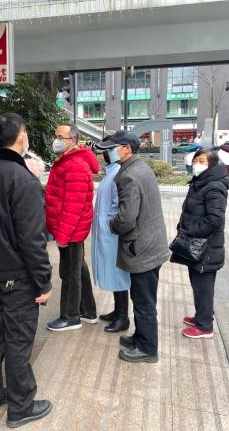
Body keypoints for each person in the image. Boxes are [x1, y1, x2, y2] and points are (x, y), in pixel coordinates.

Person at [0, 113, 53, 428]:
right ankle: (21, 406)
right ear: (21, 136)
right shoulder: (22, 179)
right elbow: (32, 240)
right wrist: (43, 281)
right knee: (18, 338)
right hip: (16, 276)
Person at [96, 130, 170, 363]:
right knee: (142, 299)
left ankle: (148, 349)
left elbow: (126, 218)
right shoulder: (140, 167)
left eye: (112, 148)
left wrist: (110, 223)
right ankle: (140, 336)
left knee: (144, 302)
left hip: (142, 248)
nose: (108, 153)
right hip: (150, 245)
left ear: (126, 148)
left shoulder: (128, 175)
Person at [170, 149, 229, 339]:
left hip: (206, 248)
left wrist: (189, 232)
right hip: (197, 245)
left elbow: (214, 220)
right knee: (199, 285)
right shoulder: (200, 182)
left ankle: (204, 327)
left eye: (202, 160)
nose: (197, 163)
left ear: (212, 164)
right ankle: (202, 316)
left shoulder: (213, 187)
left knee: (203, 287)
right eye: (195, 159)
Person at [45, 123, 99, 331]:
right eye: (56, 135)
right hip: (69, 229)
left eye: (61, 136)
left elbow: (73, 206)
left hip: (70, 230)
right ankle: (88, 311)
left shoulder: (75, 165)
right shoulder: (68, 161)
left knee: (70, 273)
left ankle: (70, 316)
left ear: (73, 141)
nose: (56, 140)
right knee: (78, 269)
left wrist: (63, 235)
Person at [92, 136, 131, 333]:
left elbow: (120, 207)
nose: (104, 154)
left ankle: (123, 316)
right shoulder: (112, 171)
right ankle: (118, 311)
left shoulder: (120, 173)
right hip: (106, 232)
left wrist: (110, 224)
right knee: (113, 273)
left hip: (114, 233)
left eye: (108, 150)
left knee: (119, 275)